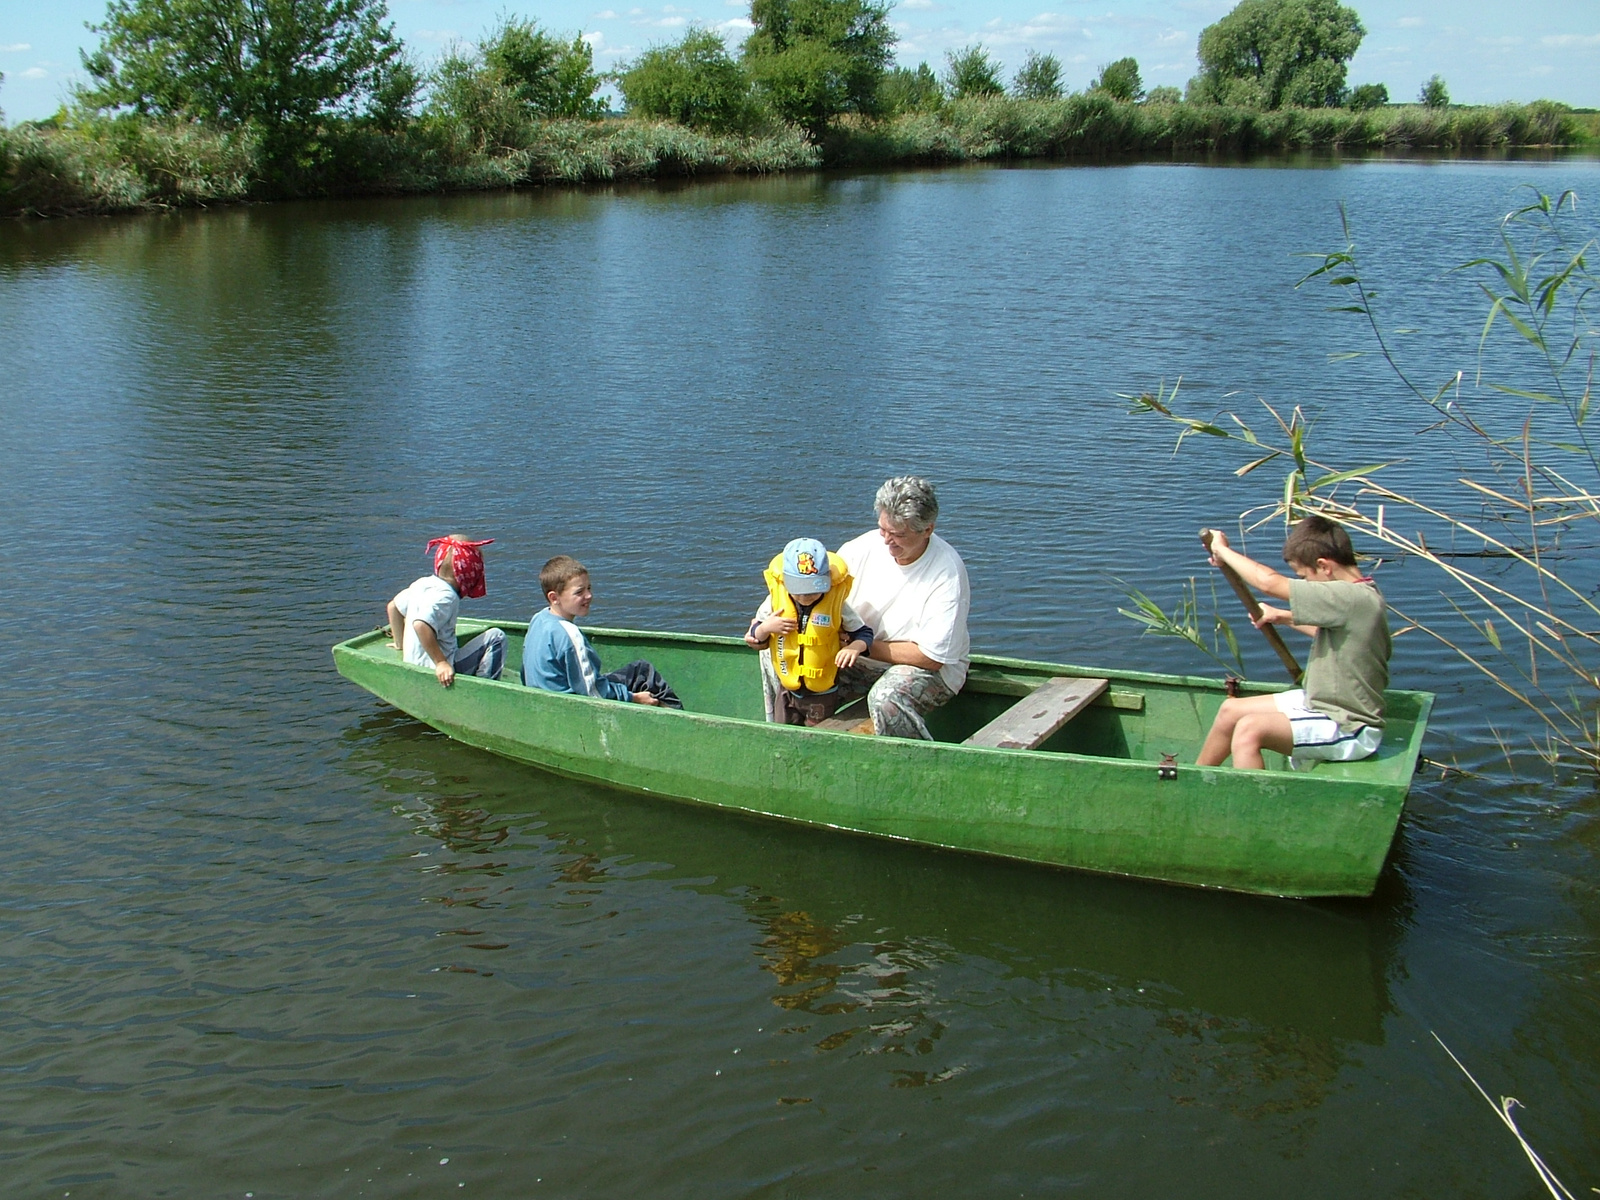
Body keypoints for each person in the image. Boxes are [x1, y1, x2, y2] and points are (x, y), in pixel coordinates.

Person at [1196, 516, 1391, 770]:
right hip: (1322, 703)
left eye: (1304, 576)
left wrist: (1222, 550)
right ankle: (1192, 780)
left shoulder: (1352, 597)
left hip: (1350, 726)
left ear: (1324, 566)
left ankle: (1254, 807)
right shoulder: (1360, 593)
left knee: (1249, 730)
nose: (1306, 584)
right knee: (1230, 711)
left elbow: (1268, 582)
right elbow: (1339, 636)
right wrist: (1284, 617)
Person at [820, 476, 971, 740]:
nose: (887, 541)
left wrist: (862, 644)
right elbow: (812, 592)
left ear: (927, 530)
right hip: (858, 656)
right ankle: (783, 737)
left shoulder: (947, 573)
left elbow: (932, 658)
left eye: (899, 535)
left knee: (886, 696)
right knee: (784, 655)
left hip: (929, 671)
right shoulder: (862, 548)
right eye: (883, 529)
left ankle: (914, 767)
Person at [521, 555, 681, 708]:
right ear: (554, 598)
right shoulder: (569, 634)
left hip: (543, 700)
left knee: (634, 671)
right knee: (643, 672)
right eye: (579, 592)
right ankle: (679, 723)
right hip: (569, 708)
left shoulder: (539, 619)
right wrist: (635, 698)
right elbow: (593, 693)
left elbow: (525, 672)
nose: (589, 596)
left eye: (589, 588)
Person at [745, 537, 874, 726]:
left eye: (814, 590)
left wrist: (854, 647)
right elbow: (756, 634)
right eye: (799, 590)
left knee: (816, 733)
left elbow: (864, 633)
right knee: (784, 730)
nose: (806, 597)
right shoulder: (774, 602)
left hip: (822, 693)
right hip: (787, 689)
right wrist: (766, 628)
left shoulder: (836, 605)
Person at [387, 535, 507, 687]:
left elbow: (393, 607)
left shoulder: (423, 584)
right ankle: (484, 687)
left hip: (414, 664)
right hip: (440, 671)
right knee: (497, 637)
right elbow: (421, 624)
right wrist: (441, 663)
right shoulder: (447, 597)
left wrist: (400, 644)